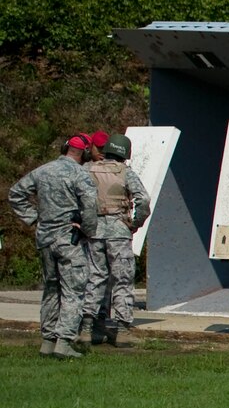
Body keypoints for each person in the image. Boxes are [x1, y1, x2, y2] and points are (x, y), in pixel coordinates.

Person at [9, 136, 100, 360]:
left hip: (45, 240)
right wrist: (87, 230)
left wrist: (34, 219)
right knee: (74, 291)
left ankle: (47, 341)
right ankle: (64, 341)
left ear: (65, 148)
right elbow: (90, 205)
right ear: (85, 153)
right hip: (69, 239)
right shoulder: (80, 174)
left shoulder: (43, 171)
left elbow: (15, 194)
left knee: (51, 290)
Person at [83, 133, 151, 347]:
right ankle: (122, 329)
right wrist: (135, 223)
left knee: (95, 277)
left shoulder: (87, 170)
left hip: (93, 230)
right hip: (119, 231)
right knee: (122, 279)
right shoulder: (125, 173)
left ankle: (88, 328)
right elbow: (144, 199)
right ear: (125, 153)